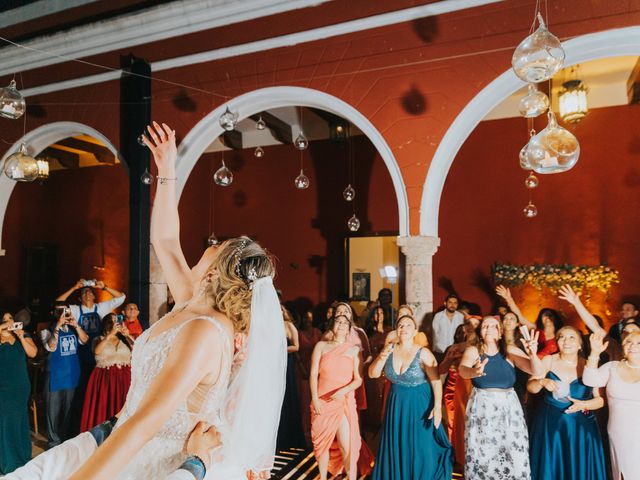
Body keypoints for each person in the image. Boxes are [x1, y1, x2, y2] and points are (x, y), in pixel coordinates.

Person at [7, 122, 287, 480]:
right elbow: (166, 240)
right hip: (129, 437)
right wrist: (167, 168)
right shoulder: (189, 302)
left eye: (215, 247)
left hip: (156, 459)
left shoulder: (204, 330)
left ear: (215, 271)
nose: (208, 244)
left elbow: (144, 423)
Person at [369, 315, 452, 480]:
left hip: (419, 405)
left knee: (421, 448)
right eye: (400, 325)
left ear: (415, 331)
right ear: (396, 330)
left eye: (408, 325)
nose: (403, 328)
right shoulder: (389, 349)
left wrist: (437, 408)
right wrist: (381, 356)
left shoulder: (423, 353)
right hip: (396, 404)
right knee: (398, 446)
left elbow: (436, 382)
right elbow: (373, 373)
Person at [459, 316, 541, 480]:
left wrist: (533, 354)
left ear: (501, 332)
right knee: (482, 454)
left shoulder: (510, 350)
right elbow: (463, 370)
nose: (489, 328)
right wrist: (474, 372)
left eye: (494, 326)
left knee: (513, 452)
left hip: (508, 409)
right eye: (485, 325)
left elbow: (537, 371)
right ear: (480, 332)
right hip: (482, 408)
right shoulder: (474, 350)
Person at [528, 326, 606, 480]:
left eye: (571, 337)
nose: (566, 340)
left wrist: (584, 405)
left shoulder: (589, 365)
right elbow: (531, 388)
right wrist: (542, 381)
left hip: (581, 428)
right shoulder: (548, 360)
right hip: (550, 426)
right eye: (562, 337)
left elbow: (600, 400)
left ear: (579, 344)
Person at [310, 314, 364, 480]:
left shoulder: (354, 350)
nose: (341, 325)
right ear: (332, 326)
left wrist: (343, 391)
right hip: (322, 401)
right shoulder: (321, 346)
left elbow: (358, 379)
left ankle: (351, 477)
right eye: (338, 322)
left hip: (342, 402)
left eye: (345, 323)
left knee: (346, 445)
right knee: (322, 446)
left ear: (349, 329)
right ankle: (323, 476)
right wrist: (315, 398)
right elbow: (313, 374)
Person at [583, 331, 640, 480]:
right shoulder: (612, 366)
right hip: (618, 433)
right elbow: (590, 380)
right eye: (629, 342)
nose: (633, 346)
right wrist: (594, 353)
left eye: (639, 343)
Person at [40, 305, 89, 448]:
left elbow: (85, 340)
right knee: (53, 412)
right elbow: (51, 347)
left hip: (72, 374)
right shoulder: (46, 331)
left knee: (70, 410)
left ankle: (67, 440)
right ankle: (54, 443)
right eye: (59, 311)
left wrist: (76, 325)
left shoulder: (74, 329)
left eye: (65, 310)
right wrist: (57, 327)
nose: (63, 313)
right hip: (55, 376)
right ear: (53, 313)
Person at [80, 313, 134, 431]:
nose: (116, 323)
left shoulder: (124, 339)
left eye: (117, 320)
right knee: (105, 408)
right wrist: (110, 335)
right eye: (112, 321)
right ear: (106, 324)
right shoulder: (98, 339)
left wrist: (128, 335)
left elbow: (137, 349)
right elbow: (97, 351)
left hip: (124, 379)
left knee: (124, 407)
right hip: (105, 379)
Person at [0, 312, 37, 474]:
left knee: (20, 421)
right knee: (5, 422)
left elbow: (33, 353)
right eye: (6, 320)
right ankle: (8, 461)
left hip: (21, 386)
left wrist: (21, 336)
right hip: (4, 388)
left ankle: (22, 456)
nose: (10, 322)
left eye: (11, 319)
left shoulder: (23, 335)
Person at [496, 286, 562, 357]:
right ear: (541, 318)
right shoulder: (535, 329)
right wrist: (509, 299)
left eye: (550, 315)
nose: (548, 318)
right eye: (545, 315)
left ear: (556, 318)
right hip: (532, 363)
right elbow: (520, 317)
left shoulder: (561, 333)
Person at [438, 323, 468, 466]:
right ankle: (454, 454)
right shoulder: (451, 348)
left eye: (467, 331)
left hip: (469, 390)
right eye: (460, 332)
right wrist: (450, 358)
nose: (463, 334)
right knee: (452, 423)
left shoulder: (475, 349)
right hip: (452, 389)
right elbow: (441, 370)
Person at [276, 306, 306, 448]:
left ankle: (291, 437)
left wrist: (281, 349)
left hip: (287, 363)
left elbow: (296, 346)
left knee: (288, 396)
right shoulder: (271, 324)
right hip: (274, 363)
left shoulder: (289, 325)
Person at [296, 309, 322, 443]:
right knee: (304, 402)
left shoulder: (318, 332)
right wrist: (302, 369)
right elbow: (297, 354)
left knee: (315, 399)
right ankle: (304, 433)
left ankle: (315, 430)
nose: (307, 320)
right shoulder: (299, 333)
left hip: (316, 369)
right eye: (305, 318)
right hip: (302, 370)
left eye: (309, 318)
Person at [431, 294, 464, 361]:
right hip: (440, 351)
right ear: (445, 303)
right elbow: (434, 333)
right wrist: (433, 349)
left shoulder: (461, 317)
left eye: (455, 303)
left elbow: (462, 334)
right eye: (450, 302)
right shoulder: (438, 316)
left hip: (456, 352)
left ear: (457, 305)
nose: (452, 305)